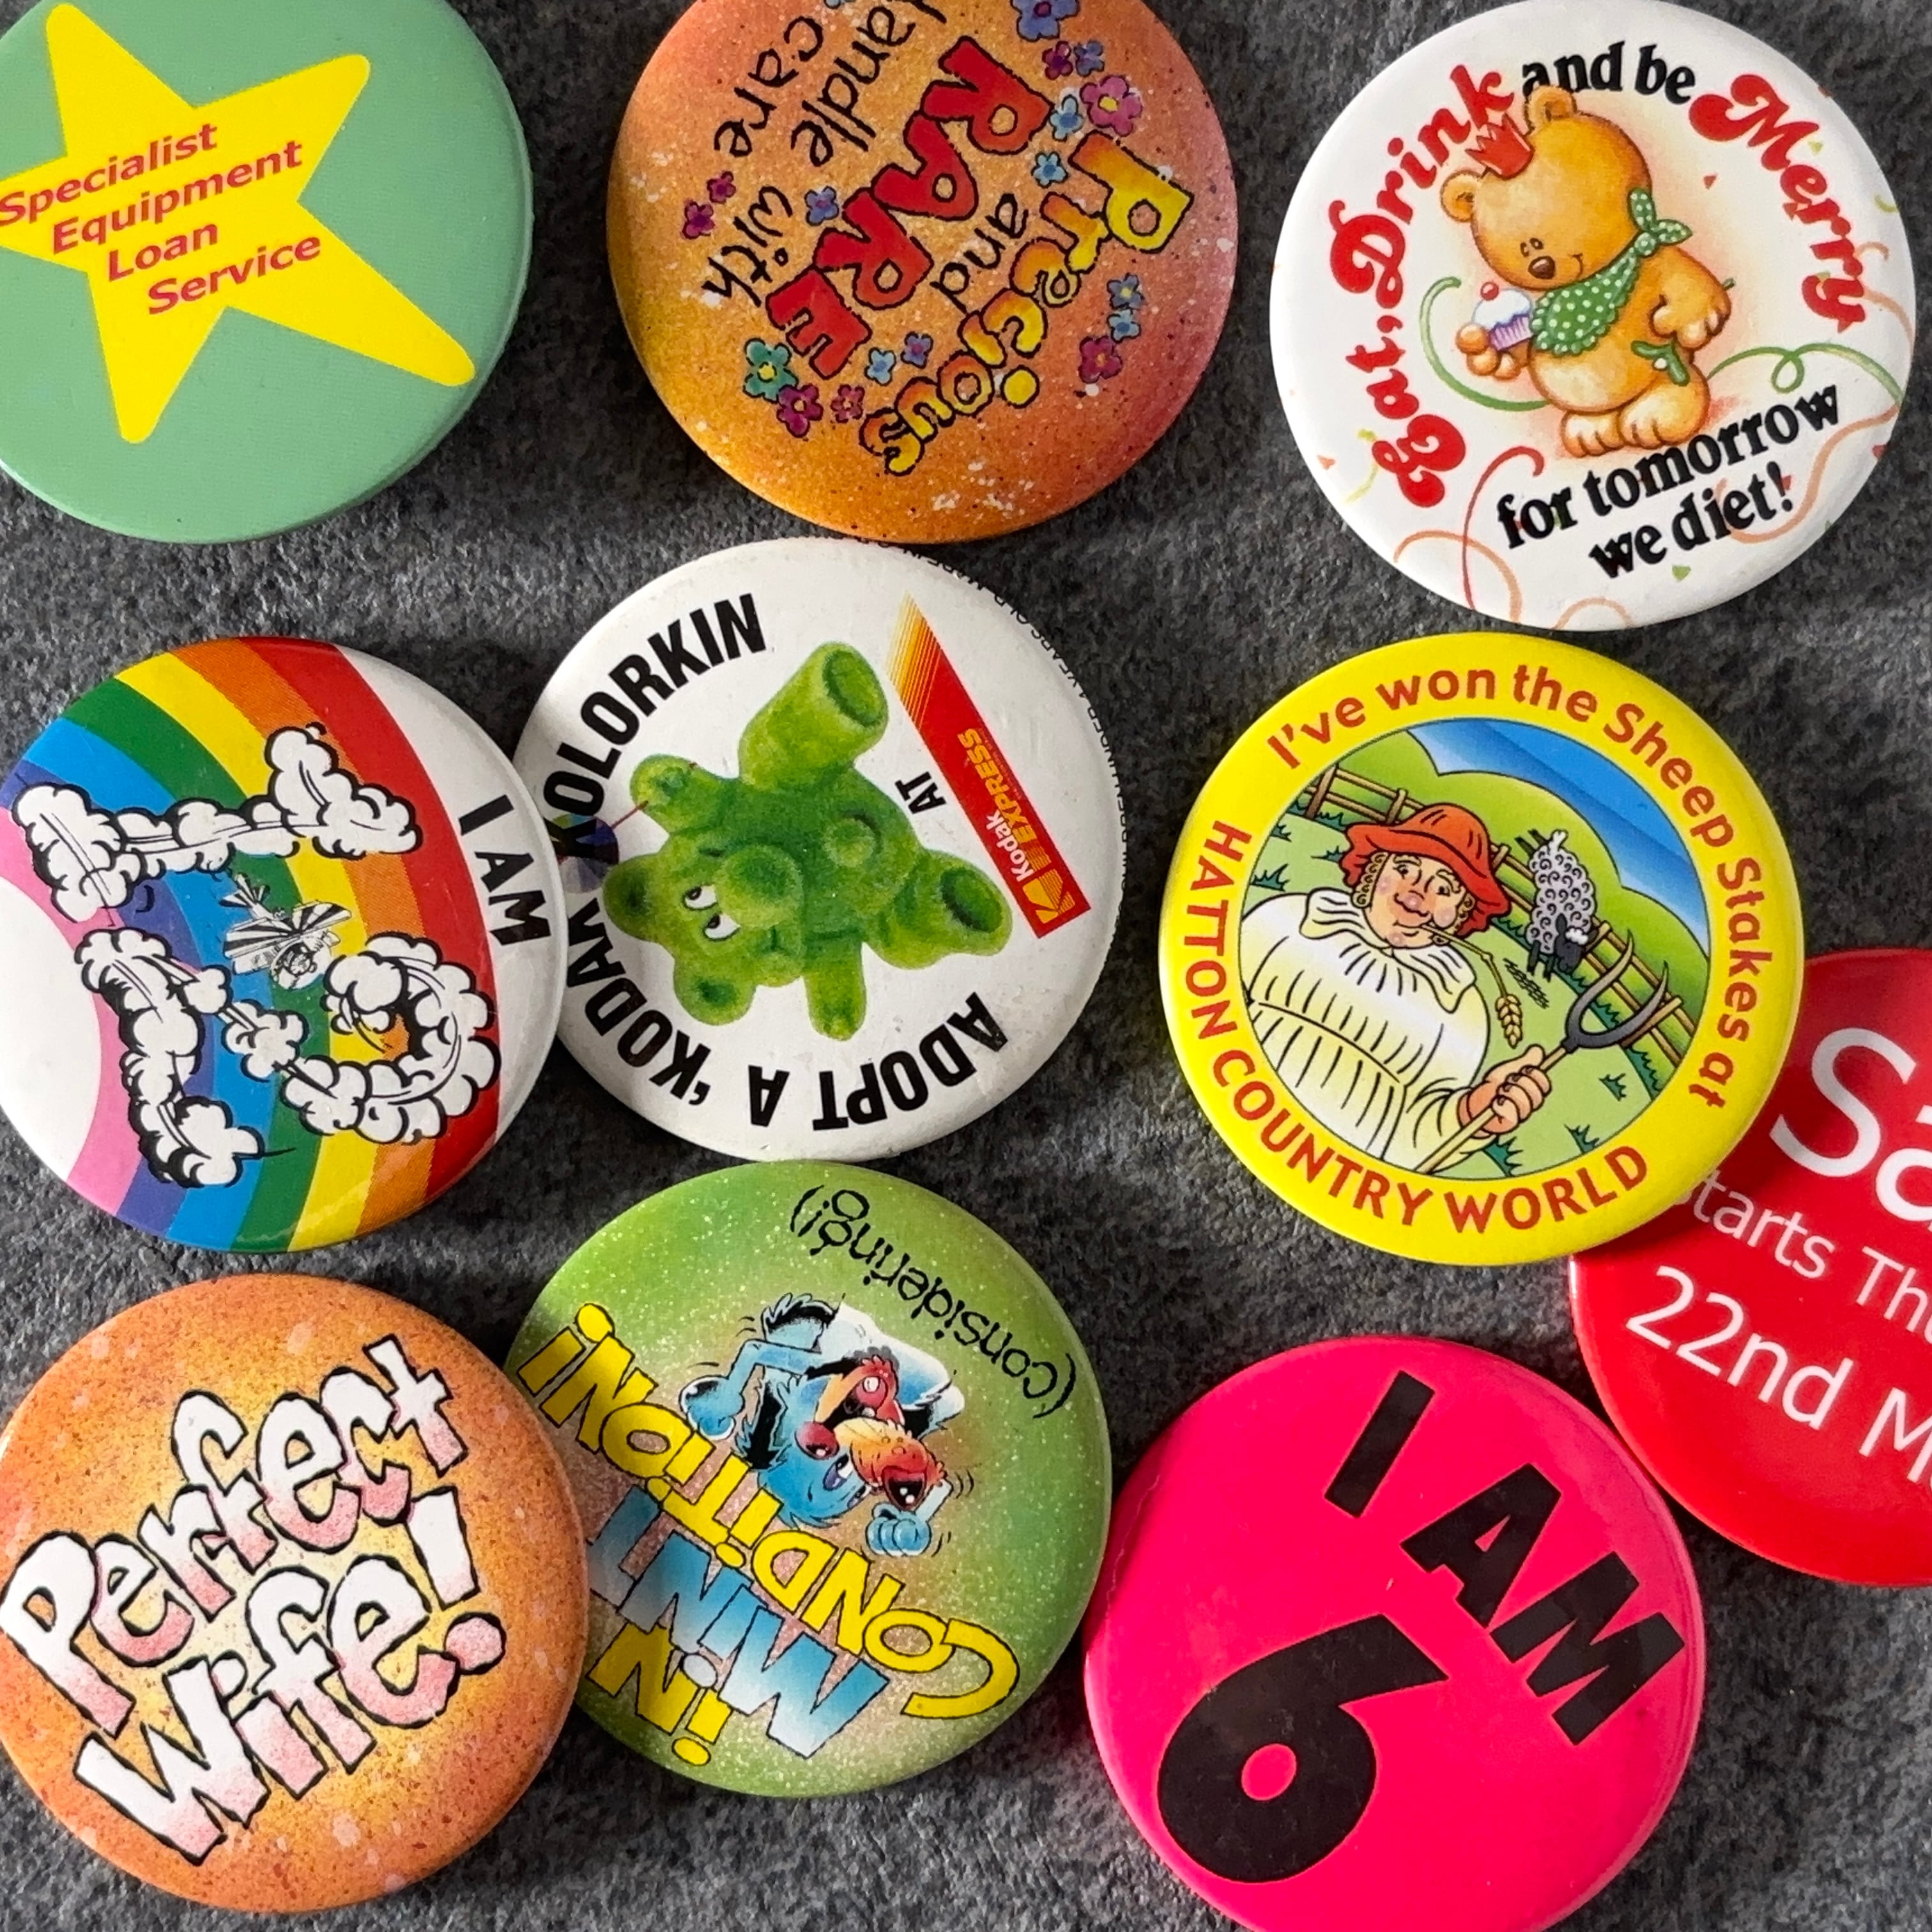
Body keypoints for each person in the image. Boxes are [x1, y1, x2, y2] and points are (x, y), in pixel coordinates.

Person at [1241, 802, 1552, 1169]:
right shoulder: (1293, 919)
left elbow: (1416, 1142)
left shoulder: (1460, 1008)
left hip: (1341, 1168)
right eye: (1404, 868)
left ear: (1461, 912)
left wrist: (1474, 1113)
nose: (1416, 893)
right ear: (1376, 869)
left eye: (1444, 888)